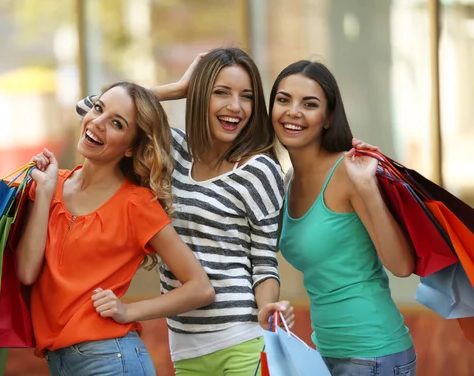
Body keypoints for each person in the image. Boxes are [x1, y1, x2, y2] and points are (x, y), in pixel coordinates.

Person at [79, 48, 294, 376]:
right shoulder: (173, 151)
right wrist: (176, 89)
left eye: (246, 96)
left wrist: (268, 309)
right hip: (184, 346)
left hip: (241, 339)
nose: (234, 106)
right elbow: (92, 108)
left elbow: (264, 262)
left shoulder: (259, 170)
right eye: (221, 92)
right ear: (199, 96)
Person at [16, 82, 215, 376]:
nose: (97, 123)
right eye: (98, 109)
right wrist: (44, 193)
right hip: (61, 363)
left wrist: (128, 311)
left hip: (111, 360)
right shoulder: (49, 183)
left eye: (117, 123)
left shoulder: (137, 205)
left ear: (131, 147)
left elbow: (201, 288)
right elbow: (26, 272)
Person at [269, 60, 417, 376]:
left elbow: (402, 265)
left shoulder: (349, 173)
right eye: (283, 100)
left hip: (373, 354)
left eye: (309, 104)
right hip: (324, 354)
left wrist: (367, 188)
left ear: (328, 118)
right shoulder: (287, 182)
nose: (293, 111)